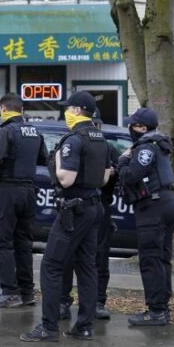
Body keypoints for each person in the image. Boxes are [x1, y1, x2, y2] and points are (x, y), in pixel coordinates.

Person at [20, 91, 111, 342]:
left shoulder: (73, 140)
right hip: (93, 207)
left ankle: (49, 328)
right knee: (87, 267)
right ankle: (83, 326)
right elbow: (104, 178)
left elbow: (66, 178)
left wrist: (59, 160)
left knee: (51, 266)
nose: (66, 112)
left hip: (74, 210)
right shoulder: (99, 138)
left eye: (68, 108)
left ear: (78, 110)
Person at [0, 93, 47, 308]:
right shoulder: (35, 131)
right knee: (23, 243)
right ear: (21, 109)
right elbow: (42, 158)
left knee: (0, 241)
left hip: (7, 190)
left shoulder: (6, 131)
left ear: (3, 108)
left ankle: (10, 291)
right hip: (28, 191)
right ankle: (27, 292)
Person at [118, 107, 174, 326]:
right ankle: (162, 306)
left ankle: (156, 311)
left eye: (133, 125)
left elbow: (130, 175)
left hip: (153, 206)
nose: (130, 128)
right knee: (162, 257)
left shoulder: (145, 148)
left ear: (142, 127)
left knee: (151, 258)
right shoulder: (159, 144)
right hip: (167, 201)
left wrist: (124, 159)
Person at [59, 115, 117, 321]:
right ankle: (62, 302)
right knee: (65, 257)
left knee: (97, 258)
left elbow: (113, 178)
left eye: (98, 124)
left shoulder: (106, 147)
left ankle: (97, 303)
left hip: (98, 205)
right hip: (75, 205)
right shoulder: (72, 141)